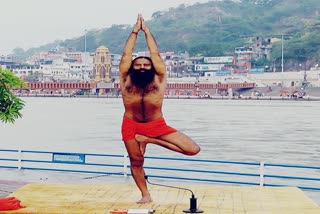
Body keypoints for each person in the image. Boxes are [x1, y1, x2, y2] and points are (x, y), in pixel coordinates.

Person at [119, 14, 201, 204]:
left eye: (146, 65)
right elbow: (126, 54)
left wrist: (146, 31)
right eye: (138, 64)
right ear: (132, 67)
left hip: (156, 125)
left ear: (152, 67)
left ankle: (148, 140)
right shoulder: (125, 78)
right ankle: (145, 194)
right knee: (136, 161)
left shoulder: (159, 78)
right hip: (130, 124)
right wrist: (134, 31)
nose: (141, 67)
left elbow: (154, 54)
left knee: (192, 149)